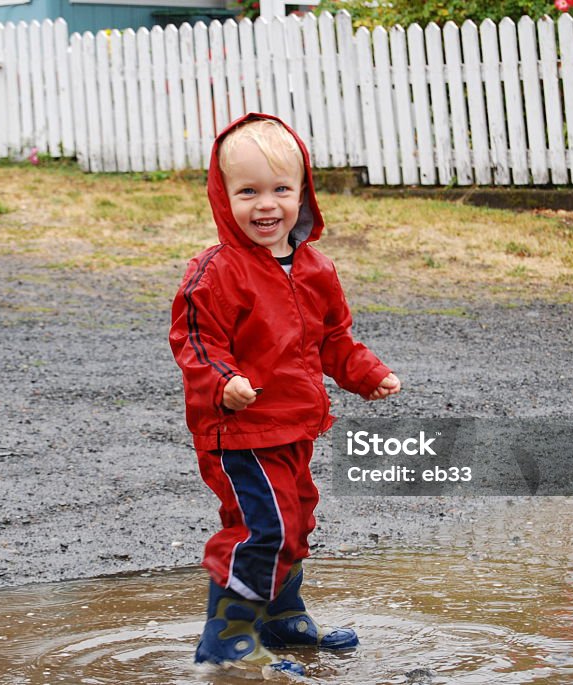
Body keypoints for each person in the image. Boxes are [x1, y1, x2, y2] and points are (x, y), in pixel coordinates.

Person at [169, 112, 401, 676]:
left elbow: (333, 339)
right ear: (224, 198)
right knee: (261, 528)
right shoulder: (217, 272)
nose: (265, 205)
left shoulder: (315, 268)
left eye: (280, 190)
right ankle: (228, 642)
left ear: (304, 195)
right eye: (247, 191)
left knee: (296, 520)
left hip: (295, 426)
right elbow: (194, 343)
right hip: (239, 431)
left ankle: (281, 616)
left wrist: (366, 373)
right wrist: (225, 383)